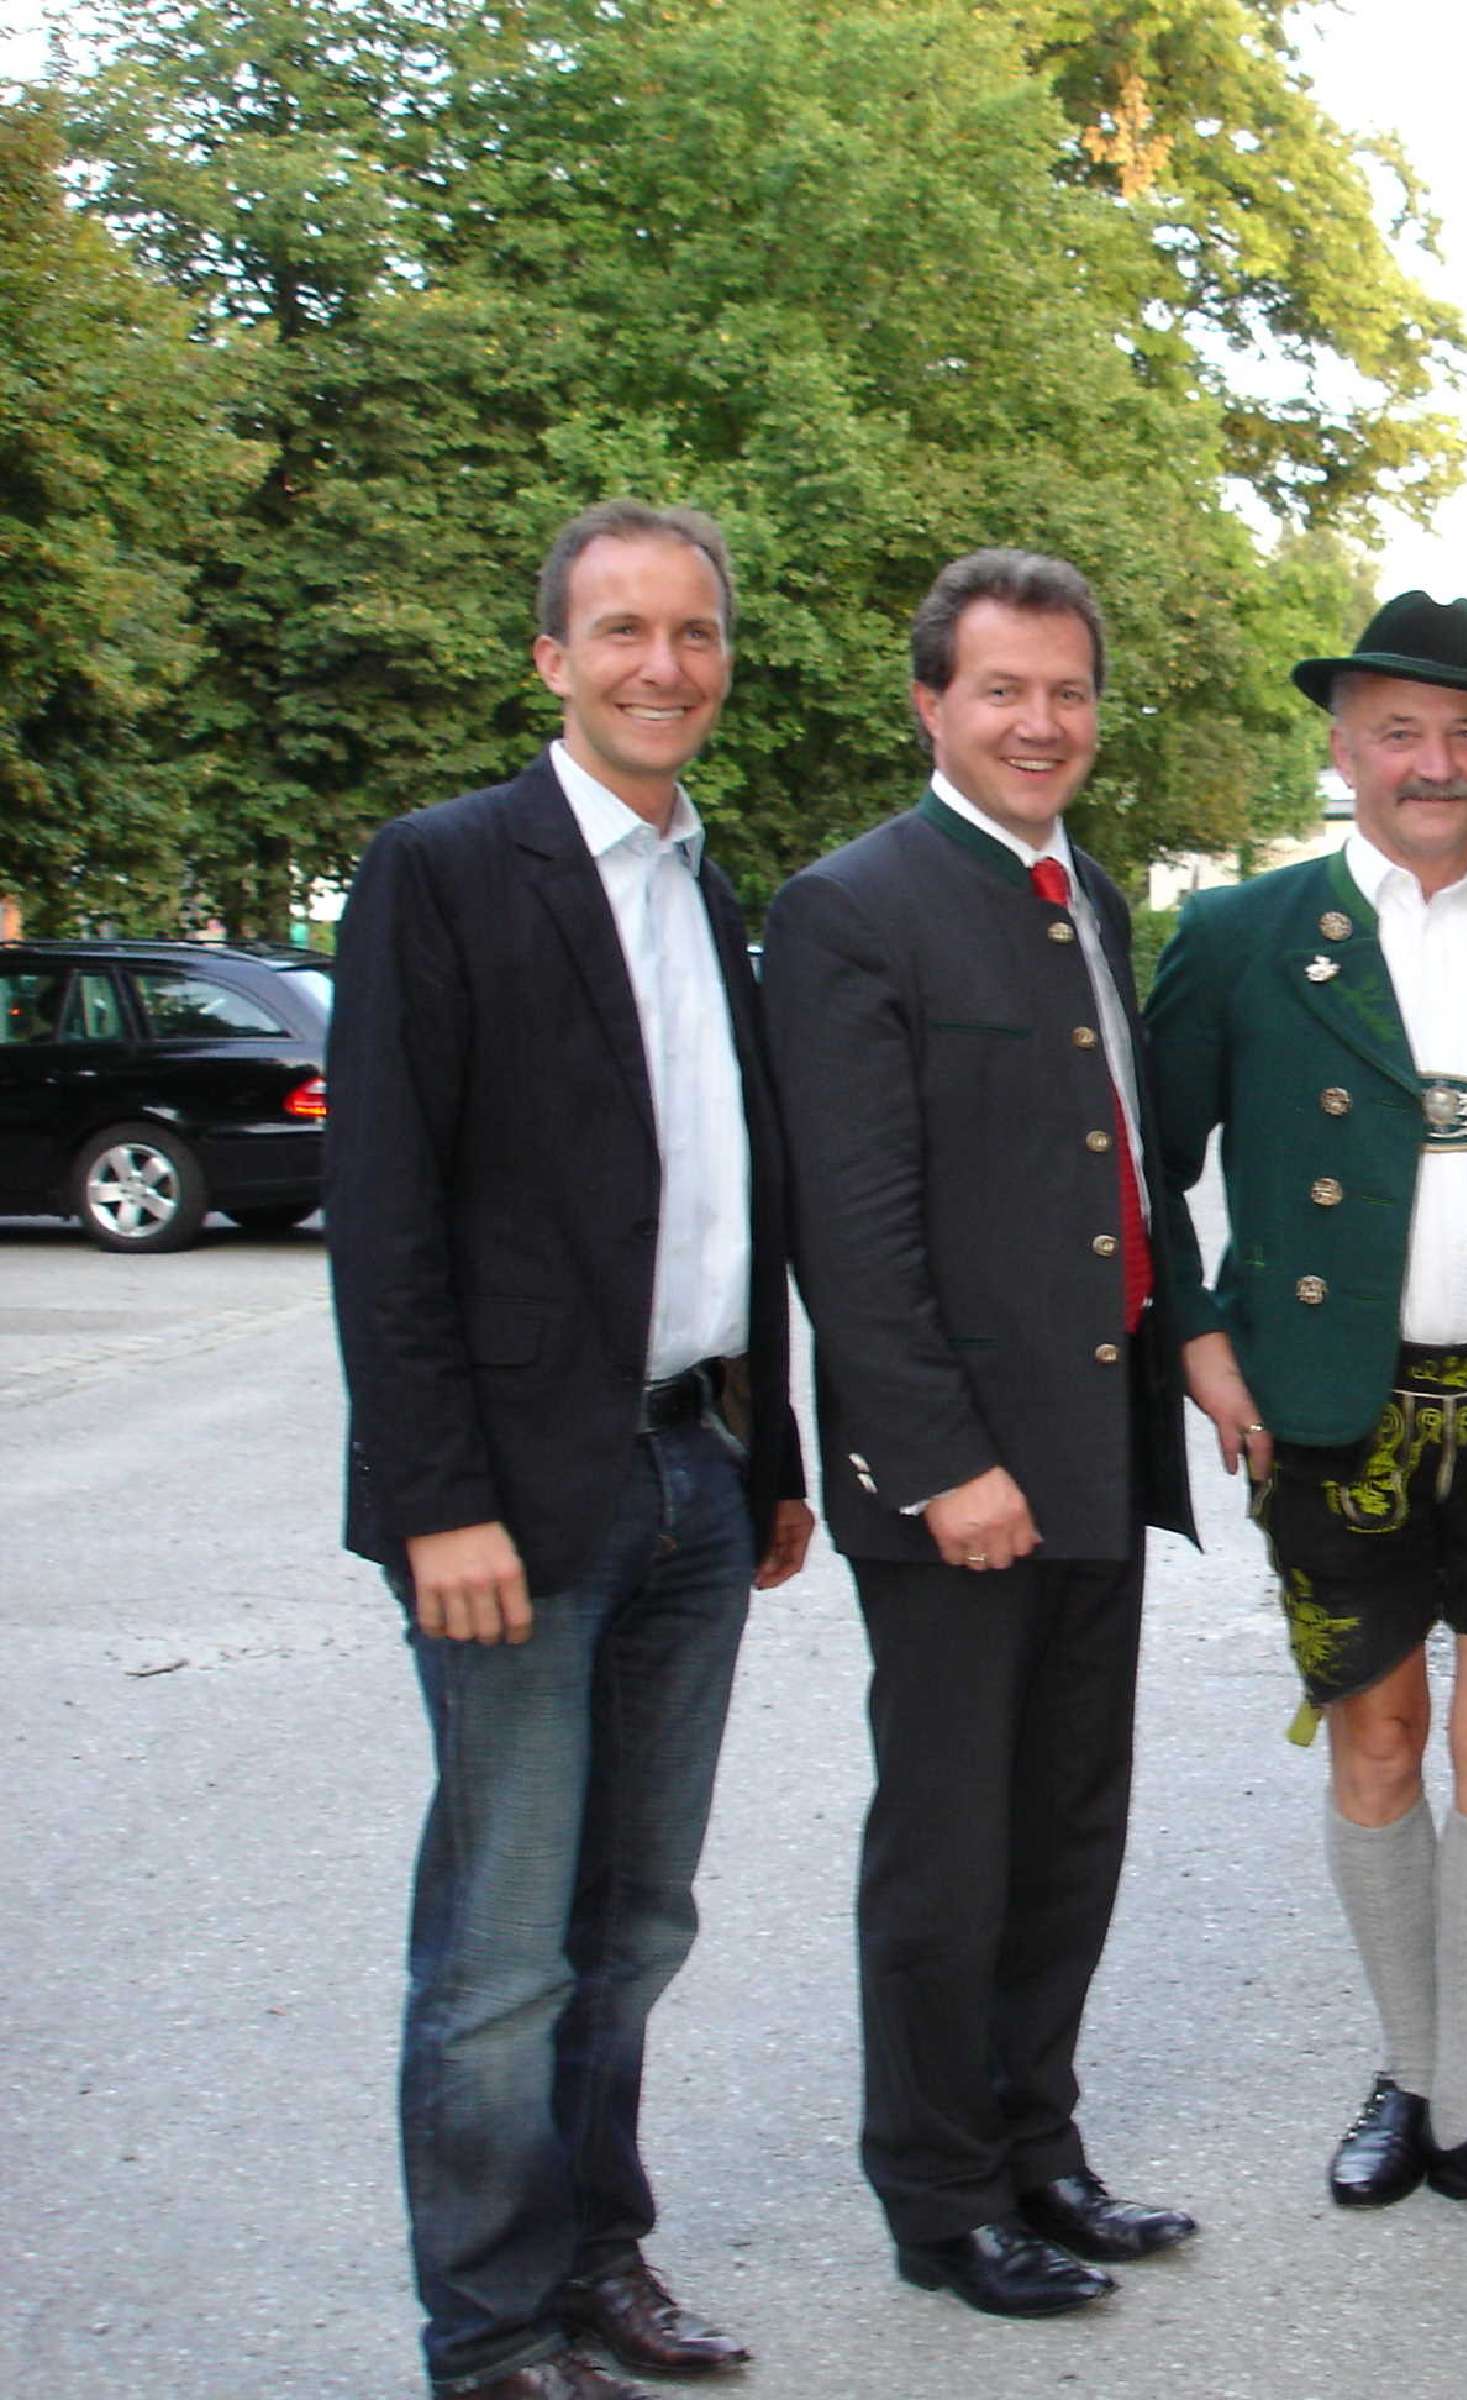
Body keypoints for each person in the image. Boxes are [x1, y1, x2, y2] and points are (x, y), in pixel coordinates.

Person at [328, 499, 814, 2400]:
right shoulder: (446, 869)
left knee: (637, 1920)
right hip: (517, 1505)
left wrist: (768, 1454)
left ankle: (598, 2260)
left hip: (695, 1469)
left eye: (693, 633)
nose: (661, 666)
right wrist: (436, 1500)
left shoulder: (708, 888)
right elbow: (385, 1215)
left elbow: (735, 1198)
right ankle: (489, 2333)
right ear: (553, 658)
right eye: (622, 630)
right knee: (503, 1949)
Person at [1146, 592, 1467, 2244]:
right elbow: (1144, 1169)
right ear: (1344, 748)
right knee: (1375, 1738)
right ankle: (1414, 2070)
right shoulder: (1240, 935)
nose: (1436, 761)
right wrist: (1199, 1339)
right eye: (1401, 731)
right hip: (1333, 1409)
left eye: (1466, 732)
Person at [763, 549, 1200, 2321]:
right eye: (1004, 688)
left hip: (1094, 1442)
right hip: (961, 1479)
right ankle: (940, 2196)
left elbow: (1129, 1169)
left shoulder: (1085, 891)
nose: (1041, 721)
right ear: (930, 703)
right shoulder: (854, 905)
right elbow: (854, 1231)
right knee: (951, 1854)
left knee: (1069, 1829)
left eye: (1068, 690)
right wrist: (944, 1464)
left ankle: (1039, 2147)